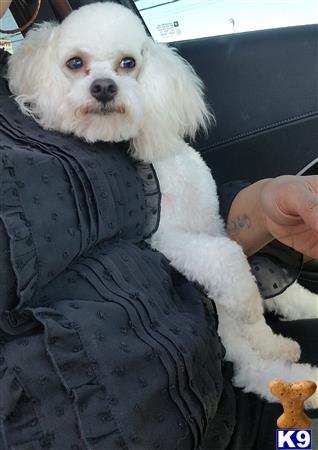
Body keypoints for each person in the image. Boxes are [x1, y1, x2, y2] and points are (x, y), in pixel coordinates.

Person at [0, 2, 317, 450]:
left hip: (223, 376)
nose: (104, 81)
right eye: (77, 65)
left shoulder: (131, 143)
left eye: (126, 65)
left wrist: (263, 209)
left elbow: (185, 227)